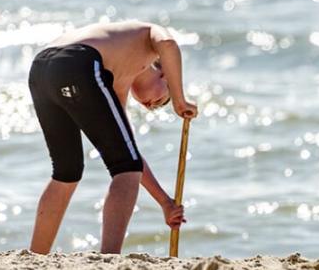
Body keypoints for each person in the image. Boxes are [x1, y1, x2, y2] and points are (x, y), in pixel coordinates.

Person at [27, 20, 198, 254]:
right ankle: (110, 258)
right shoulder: (149, 39)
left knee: (67, 172)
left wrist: (165, 203)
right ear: (163, 73)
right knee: (124, 167)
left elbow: (130, 155)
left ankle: (36, 256)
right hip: (79, 62)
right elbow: (168, 43)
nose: (151, 105)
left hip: (41, 69)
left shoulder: (114, 79)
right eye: (161, 100)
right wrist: (180, 99)